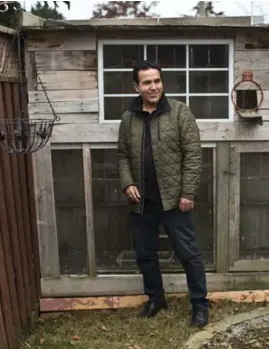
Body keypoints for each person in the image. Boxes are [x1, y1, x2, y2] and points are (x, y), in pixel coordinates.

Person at [116, 60, 209, 327]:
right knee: (145, 255)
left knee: (189, 255)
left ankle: (200, 306)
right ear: (137, 86)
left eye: (157, 81)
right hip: (141, 202)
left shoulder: (180, 112)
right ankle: (156, 299)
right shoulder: (128, 117)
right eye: (147, 82)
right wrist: (127, 183)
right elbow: (122, 155)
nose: (153, 86)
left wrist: (187, 192)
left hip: (174, 201)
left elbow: (193, 155)